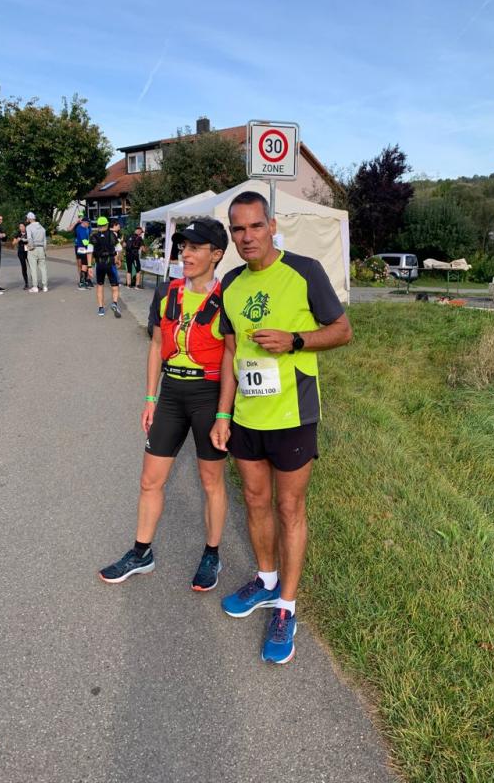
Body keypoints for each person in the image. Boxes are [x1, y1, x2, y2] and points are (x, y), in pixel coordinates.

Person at [210, 191, 353, 664]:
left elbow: (342, 331)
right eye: (238, 229)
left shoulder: (305, 270)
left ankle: (286, 607)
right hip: (248, 416)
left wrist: (295, 340)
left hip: (293, 415)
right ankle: (266, 580)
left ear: (271, 226)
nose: (247, 237)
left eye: (255, 226)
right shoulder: (230, 282)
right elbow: (230, 352)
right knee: (255, 501)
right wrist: (223, 414)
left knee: (289, 507)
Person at [99, 217, 230, 591]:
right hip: (171, 393)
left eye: (195, 248)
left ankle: (212, 554)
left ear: (216, 254)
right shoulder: (167, 292)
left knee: (211, 481)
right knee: (149, 479)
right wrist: (150, 398)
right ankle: (141, 553)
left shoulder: (228, 297)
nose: (185, 254)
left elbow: (230, 356)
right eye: (184, 247)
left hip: (208, 394)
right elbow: (157, 345)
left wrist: (224, 413)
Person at [89, 216, 121, 317]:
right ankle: (114, 303)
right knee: (115, 286)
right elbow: (119, 249)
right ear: (107, 225)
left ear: (98, 225)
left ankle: (101, 309)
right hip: (110, 263)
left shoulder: (93, 236)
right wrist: (117, 259)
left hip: (99, 264)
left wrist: (89, 266)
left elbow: (89, 252)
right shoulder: (112, 235)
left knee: (100, 286)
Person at [25, 212, 49, 293]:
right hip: (41, 248)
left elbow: (29, 238)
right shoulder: (42, 228)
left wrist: (31, 247)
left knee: (33, 268)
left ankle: (35, 287)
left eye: (27, 218)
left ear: (29, 218)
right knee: (43, 268)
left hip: (33, 249)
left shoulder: (29, 227)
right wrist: (44, 250)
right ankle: (45, 286)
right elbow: (45, 240)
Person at [73, 214, 91, 289]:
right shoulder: (81, 229)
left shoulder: (84, 228)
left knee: (84, 265)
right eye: (88, 223)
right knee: (84, 265)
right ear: (84, 222)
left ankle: (84, 281)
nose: (88, 225)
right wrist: (91, 244)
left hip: (81, 249)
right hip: (83, 248)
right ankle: (82, 282)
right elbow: (84, 242)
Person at [12, 222, 30, 290]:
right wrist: (17, 240)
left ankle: (35, 283)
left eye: (23, 226)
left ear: (25, 227)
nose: (21, 228)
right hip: (21, 251)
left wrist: (28, 243)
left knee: (32, 267)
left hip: (28, 251)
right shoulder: (18, 234)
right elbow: (13, 243)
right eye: (20, 226)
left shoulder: (29, 233)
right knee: (24, 267)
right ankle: (26, 283)